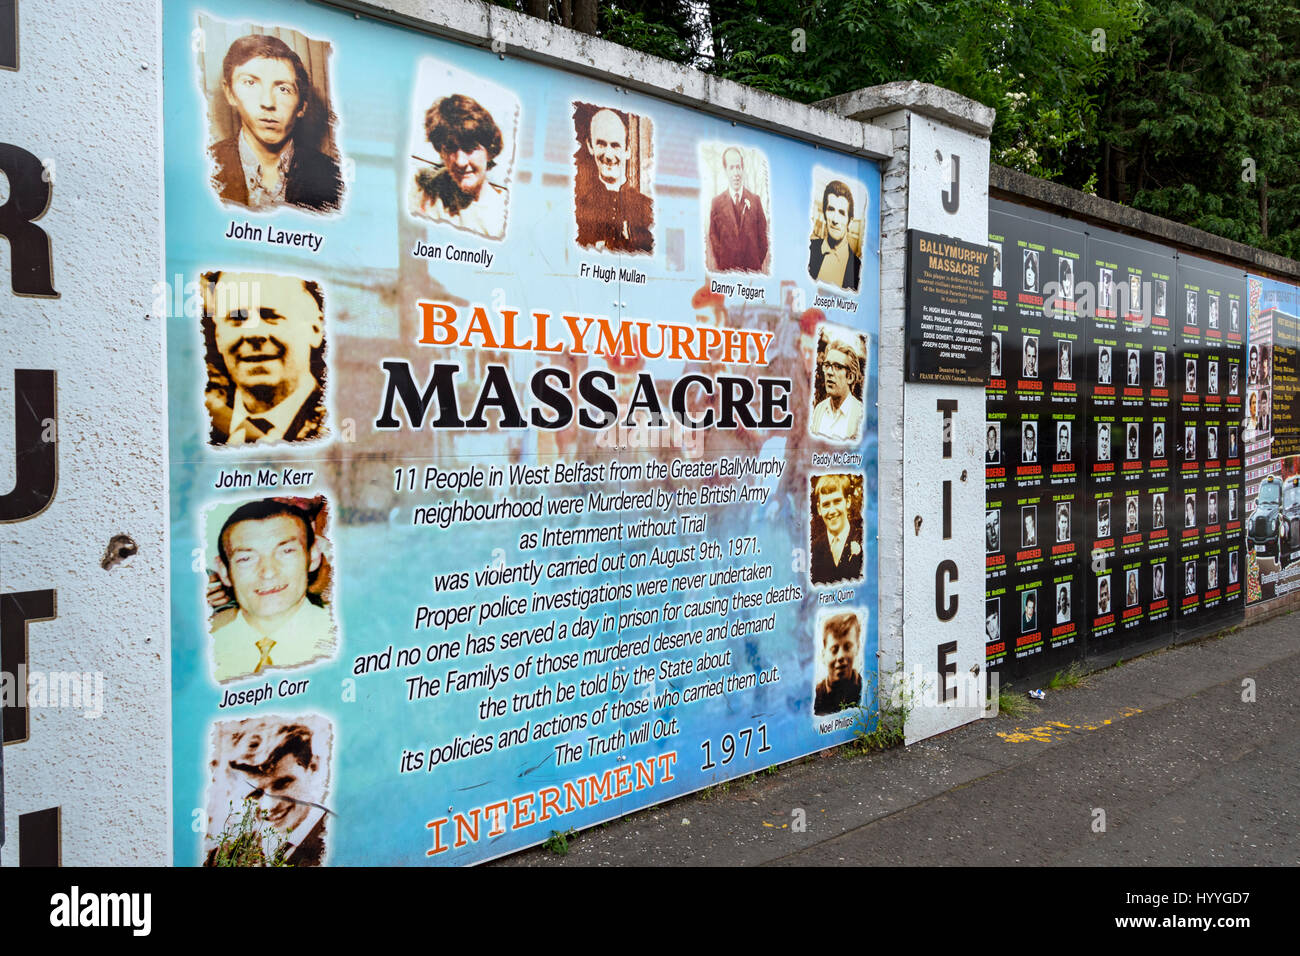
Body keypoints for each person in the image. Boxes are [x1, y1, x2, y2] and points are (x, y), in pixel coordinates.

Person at [208, 34, 342, 212]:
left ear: (301, 106)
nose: (268, 103)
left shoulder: (334, 178)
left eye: (283, 89)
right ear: (230, 93)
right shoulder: (203, 167)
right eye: (250, 83)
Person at [210, 499, 337, 684]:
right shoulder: (204, 652)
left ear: (314, 556)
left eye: (286, 551)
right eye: (246, 558)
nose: (268, 572)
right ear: (224, 572)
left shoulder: (346, 641)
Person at [202, 271, 327, 445]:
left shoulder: (341, 423)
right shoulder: (197, 426)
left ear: (315, 329)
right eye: (237, 318)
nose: (254, 333)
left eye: (271, 316)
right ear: (218, 336)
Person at [205, 716, 331, 867]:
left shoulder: (341, 839)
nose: (269, 806)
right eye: (255, 793)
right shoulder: (224, 856)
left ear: (313, 767)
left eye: (283, 783)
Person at [411, 94, 509, 240]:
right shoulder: (425, 185)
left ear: (489, 151)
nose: (460, 162)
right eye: (450, 148)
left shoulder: (500, 220)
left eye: (469, 147)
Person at [575, 107, 653, 253]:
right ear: (590, 146)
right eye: (601, 144)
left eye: (615, 145)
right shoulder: (577, 208)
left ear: (627, 150)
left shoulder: (647, 210)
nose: (609, 155)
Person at [708, 147, 768, 272]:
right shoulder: (717, 204)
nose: (736, 173)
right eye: (731, 168)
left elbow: (763, 240)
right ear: (726, 171)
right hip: (727, 274)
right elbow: (714, 237)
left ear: (742, 169)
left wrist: (754, 263)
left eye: (738, 167)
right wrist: (725, 262)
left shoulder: (755, 201)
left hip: (752, 277)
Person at [810, 335, 864, 442]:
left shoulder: (860, 415)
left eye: (837, 367)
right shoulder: (819, 410)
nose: (829, 372)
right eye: (827, 365)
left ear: (850, 377)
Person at [810, 475, 863, 585]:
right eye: (826, 505)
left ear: (847, 501)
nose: (832, 510)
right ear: (819, 509)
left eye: (837, 501)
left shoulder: (864, 540)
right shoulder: (814, 549)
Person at [808, 180, 861, 291]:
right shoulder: (809, 250)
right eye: (831, 209)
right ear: (824, 214)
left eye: (841, 213)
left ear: (849, 221)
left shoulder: (857, 267)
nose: (835, 220)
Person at [813, 612, 863, 715]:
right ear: (823, 655)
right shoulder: (815, 696)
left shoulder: (864, 689)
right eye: (834, 649)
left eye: (847, 647)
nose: (840, 656)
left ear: (857, 648)